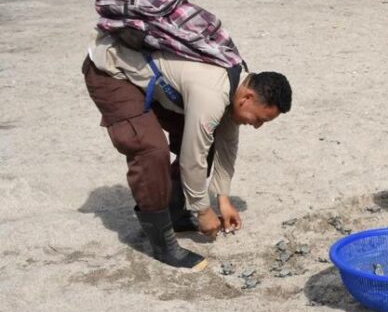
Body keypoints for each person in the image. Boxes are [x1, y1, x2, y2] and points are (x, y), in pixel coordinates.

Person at [83, 30, 292, 272]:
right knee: (151, 150)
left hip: (156, 81)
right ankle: (163, 243)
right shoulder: (213, 94)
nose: (256, 126)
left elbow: (227, 144)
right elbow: (193, 157)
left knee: (208, 138)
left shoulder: (237, 80)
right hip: (112, 70)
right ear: (247, 97)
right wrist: (203, 210)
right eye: (259, 119)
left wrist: (223, 199)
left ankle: (175, 212)